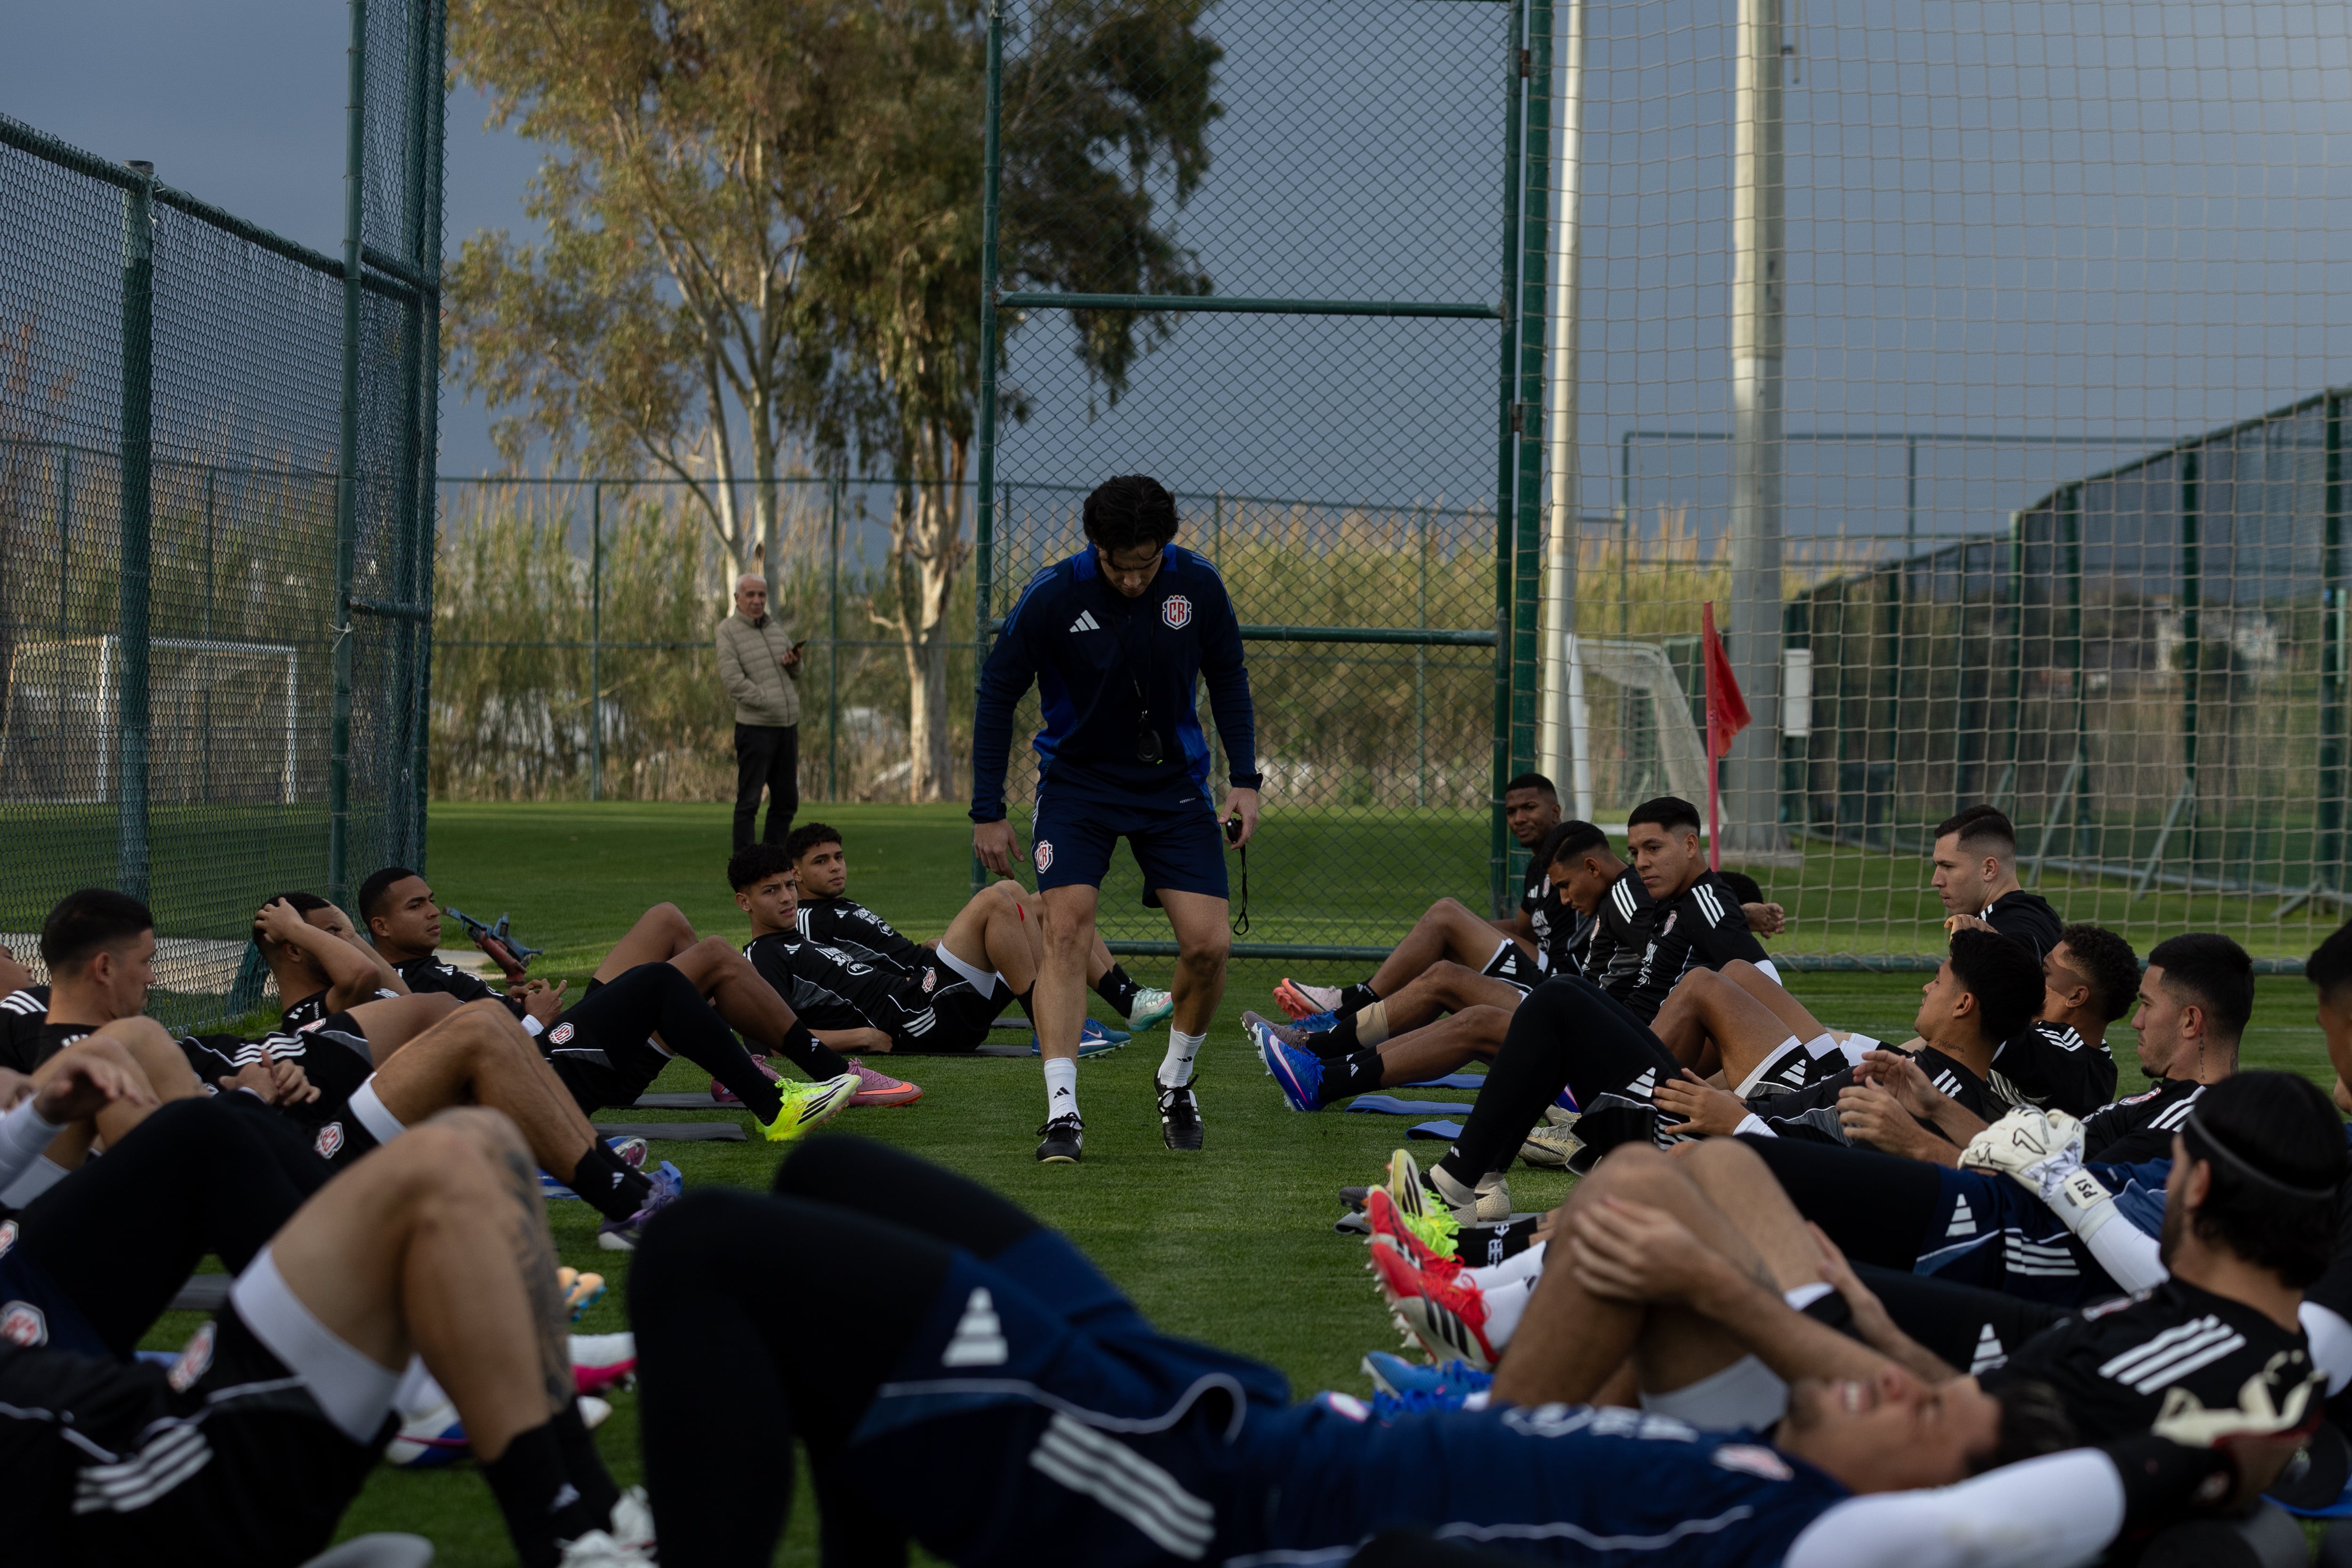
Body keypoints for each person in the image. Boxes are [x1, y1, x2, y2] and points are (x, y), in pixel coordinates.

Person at [630, 1136, 2288, 1568]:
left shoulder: (1819, 1534)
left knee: (705, 1247)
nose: (1896, 1391)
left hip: (1195, 1491)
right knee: (838, 1183)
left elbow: (2021, 1509)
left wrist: (2183, 1463)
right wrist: (1844, 1337)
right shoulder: (1758, 1458)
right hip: (1229, 1401)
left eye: (1928, 1413)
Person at [1, 1101, 652, 1568]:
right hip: (134, 1471)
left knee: (484, 1137)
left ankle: (587, 1506)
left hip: (108, 1398)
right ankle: (551, 1521)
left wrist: (34, 1114)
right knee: (447, 1157)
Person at [971, 475, 1260, 1162]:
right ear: (1095, 547)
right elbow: (997, 691)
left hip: (1174, 788)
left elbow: (1229, 677)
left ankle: (1176, 1079)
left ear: (1167, 545)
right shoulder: (1053, 593)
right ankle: (1063, 1111)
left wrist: (1245, 781)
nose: (1134, 580)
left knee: (1208, 945)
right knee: (1066, 929)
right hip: (1079, 786)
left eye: (1147, 565)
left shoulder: (1200, 586)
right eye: (1119, 566)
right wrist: (988, 808)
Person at [1745, 933, 2251, 1304]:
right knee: (1754, 1166)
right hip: (1991, 1216)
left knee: (1753, 1170)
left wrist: (1918, 1144)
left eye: (2146, 1005)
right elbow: (2044, 1166)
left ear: (2189, 1021)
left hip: (2002, 1245)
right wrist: (1934, 1107)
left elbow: (2064, 1203)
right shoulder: (2166, 1100)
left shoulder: (2191, 1117)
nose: (2136, 1020)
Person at [786, 821, 1173, 1034]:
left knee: (1050, 908)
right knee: (998, 897)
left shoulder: (838, 905)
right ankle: (1049, 1023)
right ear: (795, 872)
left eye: (838, 857)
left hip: (933, 968)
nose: (836, 866)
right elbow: (828, 974)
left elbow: (878, 950)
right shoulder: (803, 919)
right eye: (821, 861)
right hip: (925, 989)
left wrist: (924, 948)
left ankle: (1129, 999)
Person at [1271, 776, 1563, 1020]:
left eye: (1529, 807)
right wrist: (1471, 933)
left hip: (1562, 981)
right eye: (1511, 812)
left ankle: (1348, 1009)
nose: (1519, 818)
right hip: (1543, 966)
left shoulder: (1572, 856)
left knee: (1446, 914)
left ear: (1555, 812)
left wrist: (1460, 929)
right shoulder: (1539, 866)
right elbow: (1524, 930)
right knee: (1446, 941)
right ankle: (1351, 1036)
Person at [731, 843, 1027, 1061]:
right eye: (771, 891)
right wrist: (861, 1037)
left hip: (925, 1000)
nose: (786, 898)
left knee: (1014, 894)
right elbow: (774, 1042)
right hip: (918, 1018)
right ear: (745, 903)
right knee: (994, 900)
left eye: (789, 886)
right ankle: (1050, 1033)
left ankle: (1052, 1019)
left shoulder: (796, 939)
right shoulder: (761, 957)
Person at [354, 864, 567, 1029]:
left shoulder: (365, 980)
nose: (434, 911)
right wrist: (538, 1018)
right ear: (382, 927)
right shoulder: (435, 981)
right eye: (416, 906)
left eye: (431, 901)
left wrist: (509, 1003)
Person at [1620, 795, 1776, 1017]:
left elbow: (1768, 982)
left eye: (1653, 848)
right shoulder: (1670, 899)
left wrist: (1711, 1043)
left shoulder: (1704, 902)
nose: (1641, 863)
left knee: (1562, 991)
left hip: (1652, 1045)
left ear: (1690, 845)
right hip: (1633, 1028)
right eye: (1635, 853)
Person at [718, 569, 803, 852]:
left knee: (787, 801)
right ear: (737, 598)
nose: (757, 601)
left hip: (786, 727)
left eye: (762, 595)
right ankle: (745, 865)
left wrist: (793, 662)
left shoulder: (774, 628)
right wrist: (768, 699)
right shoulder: (727, 632)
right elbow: (733, 683)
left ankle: (773, 860)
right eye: (750, 594)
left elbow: (796, 673)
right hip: (756, 729)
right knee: (750, 801)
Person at [1931, 805, 2063, 957]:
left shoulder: (1995, 935)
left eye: (1948, 866)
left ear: (1989, 869)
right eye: (1937, 866)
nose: (1936, 881)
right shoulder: (2043, 915)